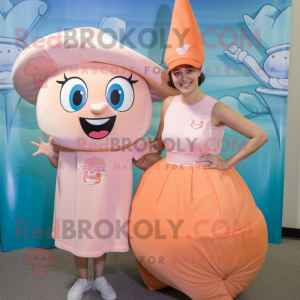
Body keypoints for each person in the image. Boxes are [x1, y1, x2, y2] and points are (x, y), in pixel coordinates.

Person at [11, 27, 178, 300]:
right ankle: (81, 280)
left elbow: (145, 162)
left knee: (101, 240)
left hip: (107, 202)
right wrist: (50, 152)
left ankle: (99, 279)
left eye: (114, 97)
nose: (99, 108)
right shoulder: (68, 141)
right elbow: (58, 166)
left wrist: (168, 157)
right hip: (77, 202)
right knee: (79, 242)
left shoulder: (127, 139)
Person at [128, 1, 269, 299]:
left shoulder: (215, 108)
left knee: (202, 240)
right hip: (165, 183)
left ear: (199, 70)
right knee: (157, 237)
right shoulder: (168, 104)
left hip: (206, 186)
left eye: (188, 70)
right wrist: (136, 147)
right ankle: (165, 277)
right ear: (171, 75)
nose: (183, 78)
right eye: (177, 72)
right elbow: (159, 143)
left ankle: (207, 283)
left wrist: (228, 161)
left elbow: (259, 135)